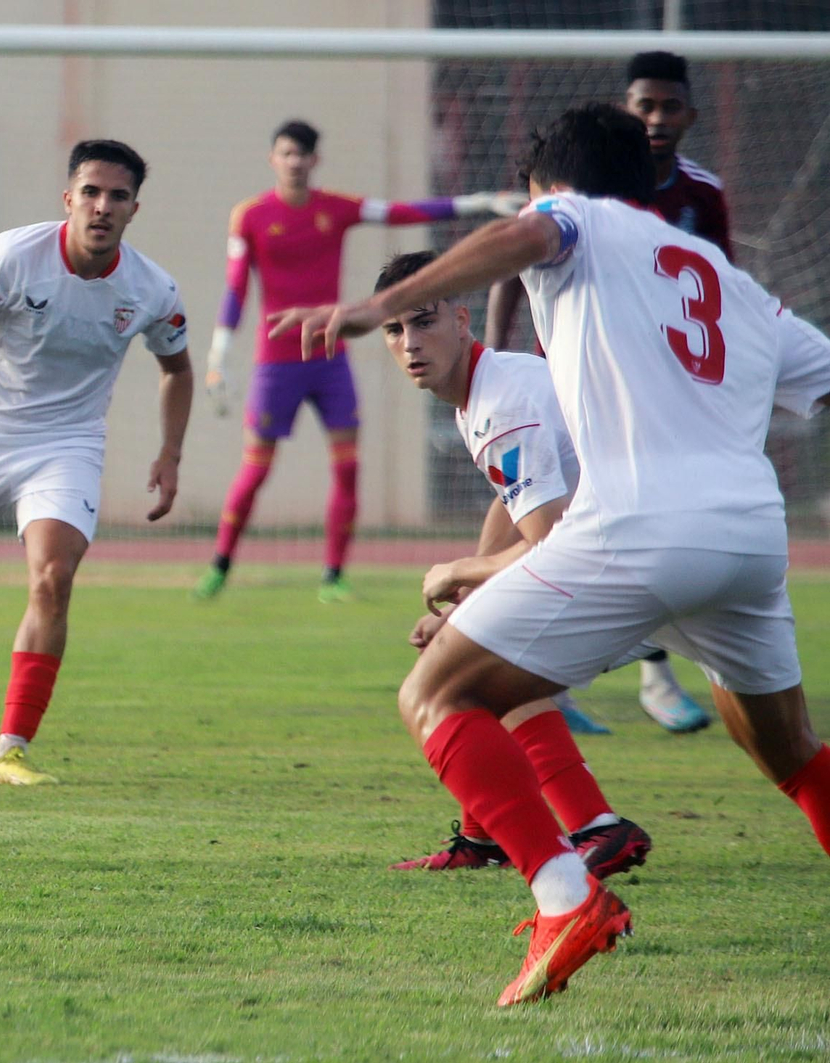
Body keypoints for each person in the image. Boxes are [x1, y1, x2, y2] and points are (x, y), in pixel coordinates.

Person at [271, 103, 830, 1005]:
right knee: (790, 750)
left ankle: (565, 895)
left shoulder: (578, 221)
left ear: (552, 185)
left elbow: (534, 230)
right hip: (751, 540)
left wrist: (375, 305)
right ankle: (587, 828)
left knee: (437, 692)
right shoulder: (730, 279)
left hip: (641, 526)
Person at [0, 140, 192, 786]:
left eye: (117, 196)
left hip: (67, 444)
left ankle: (9, 750)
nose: (102, 206)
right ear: (69, 199)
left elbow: (177, 368)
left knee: (53, 577)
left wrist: (170, 454)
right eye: (90, 192)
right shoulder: (12, 256)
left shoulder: (151, 288)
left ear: (133, 209)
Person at [375, 250, 651, 874]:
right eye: (395, 329)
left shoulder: (501, 403)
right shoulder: (487, 387)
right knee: (781, 742)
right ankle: (487, 838)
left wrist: (455, 576)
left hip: (632, 566)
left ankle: (594, 825)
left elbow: (546, 539)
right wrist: (468, 604)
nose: (410, 341)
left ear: (463, 318)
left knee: (482, 669)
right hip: (638, 550)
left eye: (425, 321)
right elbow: (518, 505)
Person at [483, 52, 728, 736]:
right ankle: (530, 662)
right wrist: (499, 352)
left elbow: (722, 287)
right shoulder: (572, 192)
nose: (654, 119)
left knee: (592, 537)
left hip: (642, 405)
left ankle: (615, 669)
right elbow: (513, 250)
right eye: (641, 106)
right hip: (560, 389)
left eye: (667, 106)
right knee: (529, 532)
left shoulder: (697, 198)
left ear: (689, 114)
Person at [193, 119, 524, 604]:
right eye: (286, 153)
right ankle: (220, 564)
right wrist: (219, 351)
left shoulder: (337, 209)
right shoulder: (250, 216)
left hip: (330, 362)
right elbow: (237, 285)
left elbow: (400, 213)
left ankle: (333, 576)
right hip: (276, 365)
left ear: (314, 160)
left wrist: (475, 203)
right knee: (256, 469)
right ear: (273, 159)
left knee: (347, 468)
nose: (295, 162)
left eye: (303, 154)